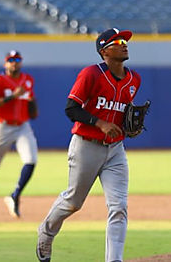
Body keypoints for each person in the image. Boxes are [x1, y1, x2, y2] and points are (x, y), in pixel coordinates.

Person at [37, 28, 142, 262]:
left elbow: (122, 112)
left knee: (119, 207)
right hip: (86, 146)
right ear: (104, 51)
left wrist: (127, 126)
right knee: (73, 202)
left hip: (115, 150)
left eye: (125, 41)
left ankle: (114, 259)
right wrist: (99, 122)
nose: (124, 44)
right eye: (118, 42)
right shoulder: (91, 74)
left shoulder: (134, 79)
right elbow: (71, 108)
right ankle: (47, 231)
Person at [0, 50, 40, 221]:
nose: (14, 62)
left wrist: (33, 105)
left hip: (22, 125)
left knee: (31, 160)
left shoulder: (28, 80)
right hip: (1, 124)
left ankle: (15, 195)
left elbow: (30, 101)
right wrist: (13, 96)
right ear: (5, 63)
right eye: (10, 60)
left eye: (17, 59)